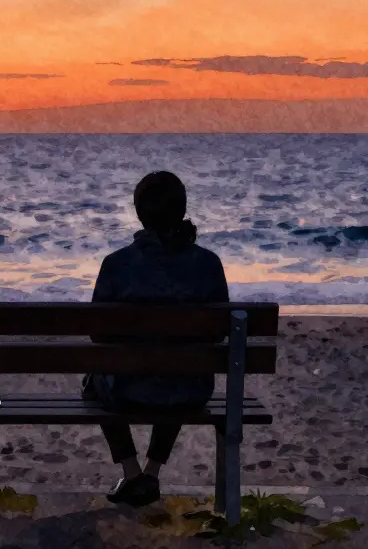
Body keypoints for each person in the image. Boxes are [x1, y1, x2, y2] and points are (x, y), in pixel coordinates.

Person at [83, 170, 230, 507]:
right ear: (181, 209)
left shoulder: (117, 264)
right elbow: (219, 332)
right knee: (179, 367)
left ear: (139, 213)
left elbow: (97, 333)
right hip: (190, 392)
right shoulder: (207, 264)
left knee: (93, 382)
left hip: (127, 391)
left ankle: (133, 472)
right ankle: (151, 472)